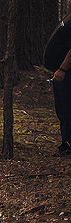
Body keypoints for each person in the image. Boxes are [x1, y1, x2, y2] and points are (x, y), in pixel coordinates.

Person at [43, 15, 71, 157]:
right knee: (63, 109)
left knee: (66, 109)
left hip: (65, 73)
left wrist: (62, 69)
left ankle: (68, 146)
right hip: (61, 71)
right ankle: (66, 143)